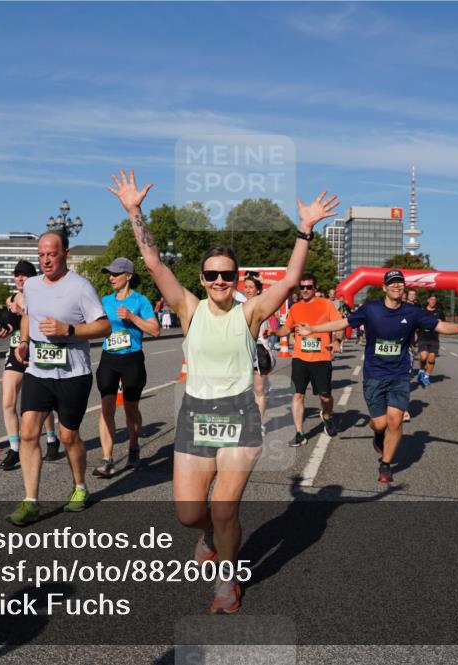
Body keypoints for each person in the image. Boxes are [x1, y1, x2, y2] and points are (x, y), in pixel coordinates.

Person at [108, 168, 338, 614]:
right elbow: (153, 263)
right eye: (212, 274)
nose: (219, 281)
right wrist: (135, 211)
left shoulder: (249, 312)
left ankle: (226, 584)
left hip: (239, 417)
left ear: (236, 277)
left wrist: (305, 229)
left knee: (226, 506)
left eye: (227, 274)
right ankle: (209, 536)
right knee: (191, 514)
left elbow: (291, 280)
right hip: (196, 415)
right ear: (200, 276)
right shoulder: (188, 307)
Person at [298, 269, 458, 484]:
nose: (396, 286)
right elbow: (344, 323)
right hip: (374, 373)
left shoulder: (413, 312)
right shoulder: (371, 309)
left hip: (400, 374)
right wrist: (313, 329)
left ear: (404, 287)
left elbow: (439, 325)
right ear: (384, 287)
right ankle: (378, 436)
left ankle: (385, 464)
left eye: (400, 283)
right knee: (380, 424)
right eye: (392, 283)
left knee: (395, 420)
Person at [6, 231, 111, 526]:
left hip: (73, 374)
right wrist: (24, 342)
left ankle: (79, 486)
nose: (46, 260)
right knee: (28, 432)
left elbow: (104, 327)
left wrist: (69, 330)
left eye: (51, 254)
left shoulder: (80, 287)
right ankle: (30, 501)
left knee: (68, 436)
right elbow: (28, 315)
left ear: (65, 252)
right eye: (41, 255)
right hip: (39, 371)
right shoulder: (33, 286)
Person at [93, 257, 160, 478]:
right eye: (109, 274)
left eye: (115, 274)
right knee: (107, 408)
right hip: (109, 358)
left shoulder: (141, 301)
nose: (111, 278)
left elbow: (155, 330)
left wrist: (131, 317)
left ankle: (133, 446)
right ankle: (107, 459)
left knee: (131, 409)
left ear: (128, 276)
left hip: (132, 359)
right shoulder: (105, 301)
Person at [0, 260, 59, 471]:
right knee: (7, 402)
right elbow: (11, 320)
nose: (20, 278)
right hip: (15, 352)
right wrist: (4, 324)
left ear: (32, 278)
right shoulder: (11, 298)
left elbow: (40, 321)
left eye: (24, 275)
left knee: (43, 405)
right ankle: (15, 449)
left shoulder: (41, 297)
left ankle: (51, 438)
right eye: (17, 275)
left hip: (36, 353)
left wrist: (22, 313)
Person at [273, 273, 343, 445]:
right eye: (302, 287)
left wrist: (336, 340)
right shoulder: (295, 308)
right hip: (300, 358)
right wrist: (273, 332)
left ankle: (327, 416)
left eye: (308, 287)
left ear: (315, 288)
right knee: (297, 395)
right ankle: (299, 433)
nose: (305, 290)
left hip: (322, 358)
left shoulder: (326, 305)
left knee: (325, 397)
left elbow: (340, 325)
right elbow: (286, 329)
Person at [241, 273, 275, 424]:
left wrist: (262, 280)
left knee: (259, 391)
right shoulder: (239, 305)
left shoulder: (264, 303)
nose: (248, 290)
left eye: (251, 287)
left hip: (259, 351)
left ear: (258, 290)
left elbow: (279, 287)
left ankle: (258, 426)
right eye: (246, 287)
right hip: (241, 350)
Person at [416, 293, 445, 387]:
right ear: (428, 300)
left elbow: (443, 324)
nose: (432, 301)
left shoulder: (439, 312)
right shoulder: (422, 310)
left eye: (434, 300)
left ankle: (427, 376)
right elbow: (417, 321)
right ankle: (421, 370)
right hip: (423, 336)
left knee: (431, 358)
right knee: (424, 357)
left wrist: (441, 323)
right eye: (431, 300)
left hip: (434, 338)